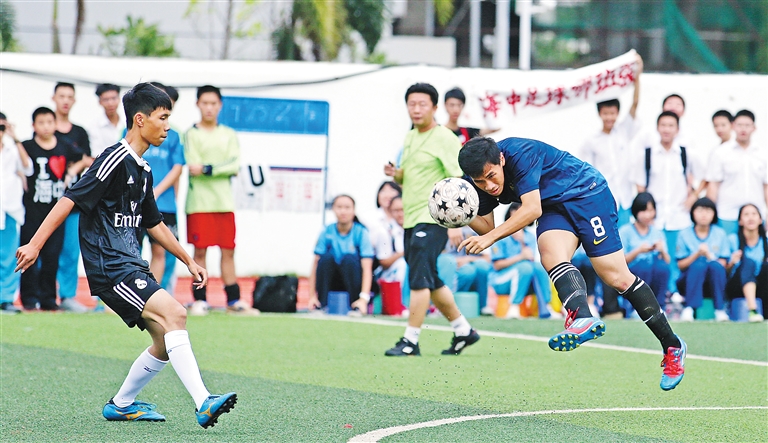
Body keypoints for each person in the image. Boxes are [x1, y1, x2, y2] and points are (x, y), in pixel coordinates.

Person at [15, 82, 237, 428]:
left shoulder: (144, 169)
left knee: (165, 340)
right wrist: (35, 244)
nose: (167, 126)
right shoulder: (113, 158)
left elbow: (155, 224)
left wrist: (188, 260)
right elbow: (69, 199)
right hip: (110, 267)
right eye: (163, 118)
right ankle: (203, 401)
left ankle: (121, 403)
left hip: (130, 264)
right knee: (176, 313)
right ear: (139, 120)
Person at [457, 136, 687, 391]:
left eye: (492, 175)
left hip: (587, 193)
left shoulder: (520, 153)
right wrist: (459, 213)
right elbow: (486, 225)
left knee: (617, 277)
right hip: (554, 206)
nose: (489, 185)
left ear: (500, 159)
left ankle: (672, 346)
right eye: (480, 181)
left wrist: (488, 239)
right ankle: (582, 317)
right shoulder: (474, 181)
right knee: (550, 255)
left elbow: (530, 210)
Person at [383, 82, 480, 357]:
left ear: (435, 108)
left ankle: (410, 341)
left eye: (422, 104)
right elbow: (409, 176)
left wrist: (455, 224)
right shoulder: (410, 136)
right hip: (412, 218)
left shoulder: (446, 138)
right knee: (430, 277)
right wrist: (396, 173)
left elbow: (459, 180)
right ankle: (463, 330)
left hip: (434, 219)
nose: (416, 109)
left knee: (419, 279)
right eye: (411, 104)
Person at [185, 85, 257, 316]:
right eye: (204, 103)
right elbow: (193, 166)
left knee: (228, 251)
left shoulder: (228, 134)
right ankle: (200, 299)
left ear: (220, 105)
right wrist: (217, 168)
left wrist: (208, 168)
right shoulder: (191, 134)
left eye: (213, 103)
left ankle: (233, 299)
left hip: (224, 203)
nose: (209, 108)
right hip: (198, 204)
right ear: (197, 104)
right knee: (199, 253)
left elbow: (234, 165)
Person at [19, 107, 86, 311]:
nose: (46, 126)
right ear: (34, 126)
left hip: (57, 213)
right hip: (32, 213)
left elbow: (83, 158)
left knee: (52, 256)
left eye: (50, 122)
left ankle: (49, 299)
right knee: (29, 255)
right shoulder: (27, 146)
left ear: (55, 124)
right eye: (41, 122)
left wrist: (71, 171)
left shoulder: (64, 146)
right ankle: (29, 299)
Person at [634, 111, 696, 295]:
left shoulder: (685, 153)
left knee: (676, 259)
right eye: (663, 125)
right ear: (657, 128)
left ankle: (675, 295)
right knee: (654, 259)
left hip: (679, 216)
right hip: (655, 218)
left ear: (677, 129)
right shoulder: (647, 154)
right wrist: (647, 213)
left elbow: (702, 177)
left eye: (671, 126)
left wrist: (692, 197)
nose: (667, 129)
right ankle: (658, 297)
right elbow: (640, 185)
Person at [133, 82, 185, 295]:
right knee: (132, 250)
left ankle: (153, 295)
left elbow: (177, 168)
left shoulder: (174, 135)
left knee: (160, 251)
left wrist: (156, 191)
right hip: (135, 201)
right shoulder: (135, 129)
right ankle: (130, 295)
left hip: (163, 203)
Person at [579, 54, 642, 226]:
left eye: (613, 113)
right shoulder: (591, 141)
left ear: (617, 113)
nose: (609, 117)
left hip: (625, 198)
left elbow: (635, 103)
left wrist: (638, 75)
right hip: (603, 199)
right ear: (600, 114)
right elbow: (587, 173)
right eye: (606, 113)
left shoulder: (624, 131)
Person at [53, 82, 92, 313]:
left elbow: (89, 160)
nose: (65, 100)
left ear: (74, 100)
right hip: (47, 202)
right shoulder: (45, 128)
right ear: (54, 98)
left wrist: (74, 168)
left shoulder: (80, 132)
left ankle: (67, 296)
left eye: (70, 96)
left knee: (70, 250)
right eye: (61, 96)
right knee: (45, 250)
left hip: (74, 202)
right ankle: (40, 294)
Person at [307, 195, 374, 313]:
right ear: (333, 209)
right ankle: (320, 304)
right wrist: (312, 296)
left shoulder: (361, 232)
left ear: (354, 210)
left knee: (349, 259)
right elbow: (315, 265)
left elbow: (367, 268)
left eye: (347, 207)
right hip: (332, 279)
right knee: (326, 258)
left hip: (353, 279)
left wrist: (363, 298)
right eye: (339, 207)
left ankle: (356, 305)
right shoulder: (326, 231)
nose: (343, 211)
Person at [489, 203, 556, 319]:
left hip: (525, 278)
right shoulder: (500, 236)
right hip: (500, 281)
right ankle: (514, 308)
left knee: (538, 267)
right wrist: (520, 257)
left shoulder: (529, 236)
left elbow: (530, 259)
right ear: (510, 214)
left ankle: (546, 306)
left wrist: (521, 241)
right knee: (525, 267)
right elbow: (497, 265)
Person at [706, 110, 767, 235]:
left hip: (755, 217)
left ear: (754, 128)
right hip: (727, 215)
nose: (743, 129)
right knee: (727, 253)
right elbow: (713, 186)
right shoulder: (720, 152)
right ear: (733, 126)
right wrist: (710, 214)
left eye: (747, 125)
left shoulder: (763, 154)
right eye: (739, 125)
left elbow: (766, 186)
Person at [675, 198, 730, 322]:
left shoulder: (720, 233)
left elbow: (724, 263)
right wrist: (697, 254)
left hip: (713, 279)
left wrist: (709, 255)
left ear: (714, 214)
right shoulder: (684, 234)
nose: (704, 214)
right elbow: (681, 265)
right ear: (693, 213)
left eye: (708, 211)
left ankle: (720, 310)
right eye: (699, 210)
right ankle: (689, 308)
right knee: (698, 264)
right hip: (689, 280)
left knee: (715, 266)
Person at [0, 113, 32, 314]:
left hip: (10, 209)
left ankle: (6, 298)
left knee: (10, 255)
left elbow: (28, 168)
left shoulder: (12, 150)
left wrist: (15, 137)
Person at [619, 193, 671, 312]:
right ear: (636, 211)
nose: (648, 215)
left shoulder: (657, 233)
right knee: (644, 267)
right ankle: (636, 309)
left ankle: (660, 307)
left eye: (651, 210)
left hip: (653, 271)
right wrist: (639, 251)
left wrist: (661, 250)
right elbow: (621, 261)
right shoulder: (625, 231)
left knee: (662, 268)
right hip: (634, 272)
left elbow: (667, 261)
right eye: (643, 211)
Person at [437, 225, 493, 316]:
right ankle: (448, 305)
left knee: (482, 267)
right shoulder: (446, 227)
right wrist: (457, 261)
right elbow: (441, 255)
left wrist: (468, 259)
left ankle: (482, 306)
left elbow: (487, 258)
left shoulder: (479, 228)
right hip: (454, 269)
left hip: (470, 264)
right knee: (468, 271)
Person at [725, 204, 767, 322]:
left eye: (754, 214)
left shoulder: (766, 242)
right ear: (740, 221)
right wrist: (732, 262)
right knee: (748, 263)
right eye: (746, 214)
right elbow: (725, 271)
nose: (750, 218)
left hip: (761, 286)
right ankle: (752, 309)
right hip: (736, 285)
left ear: (760, 220)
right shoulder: (733, 240)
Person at [88, 84, 124, 159]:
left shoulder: (127, 122)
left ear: (119, 99)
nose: (110, 103)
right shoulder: (94, 127)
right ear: (99, 102)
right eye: (106, 100)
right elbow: (96, 155)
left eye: (113, 98)